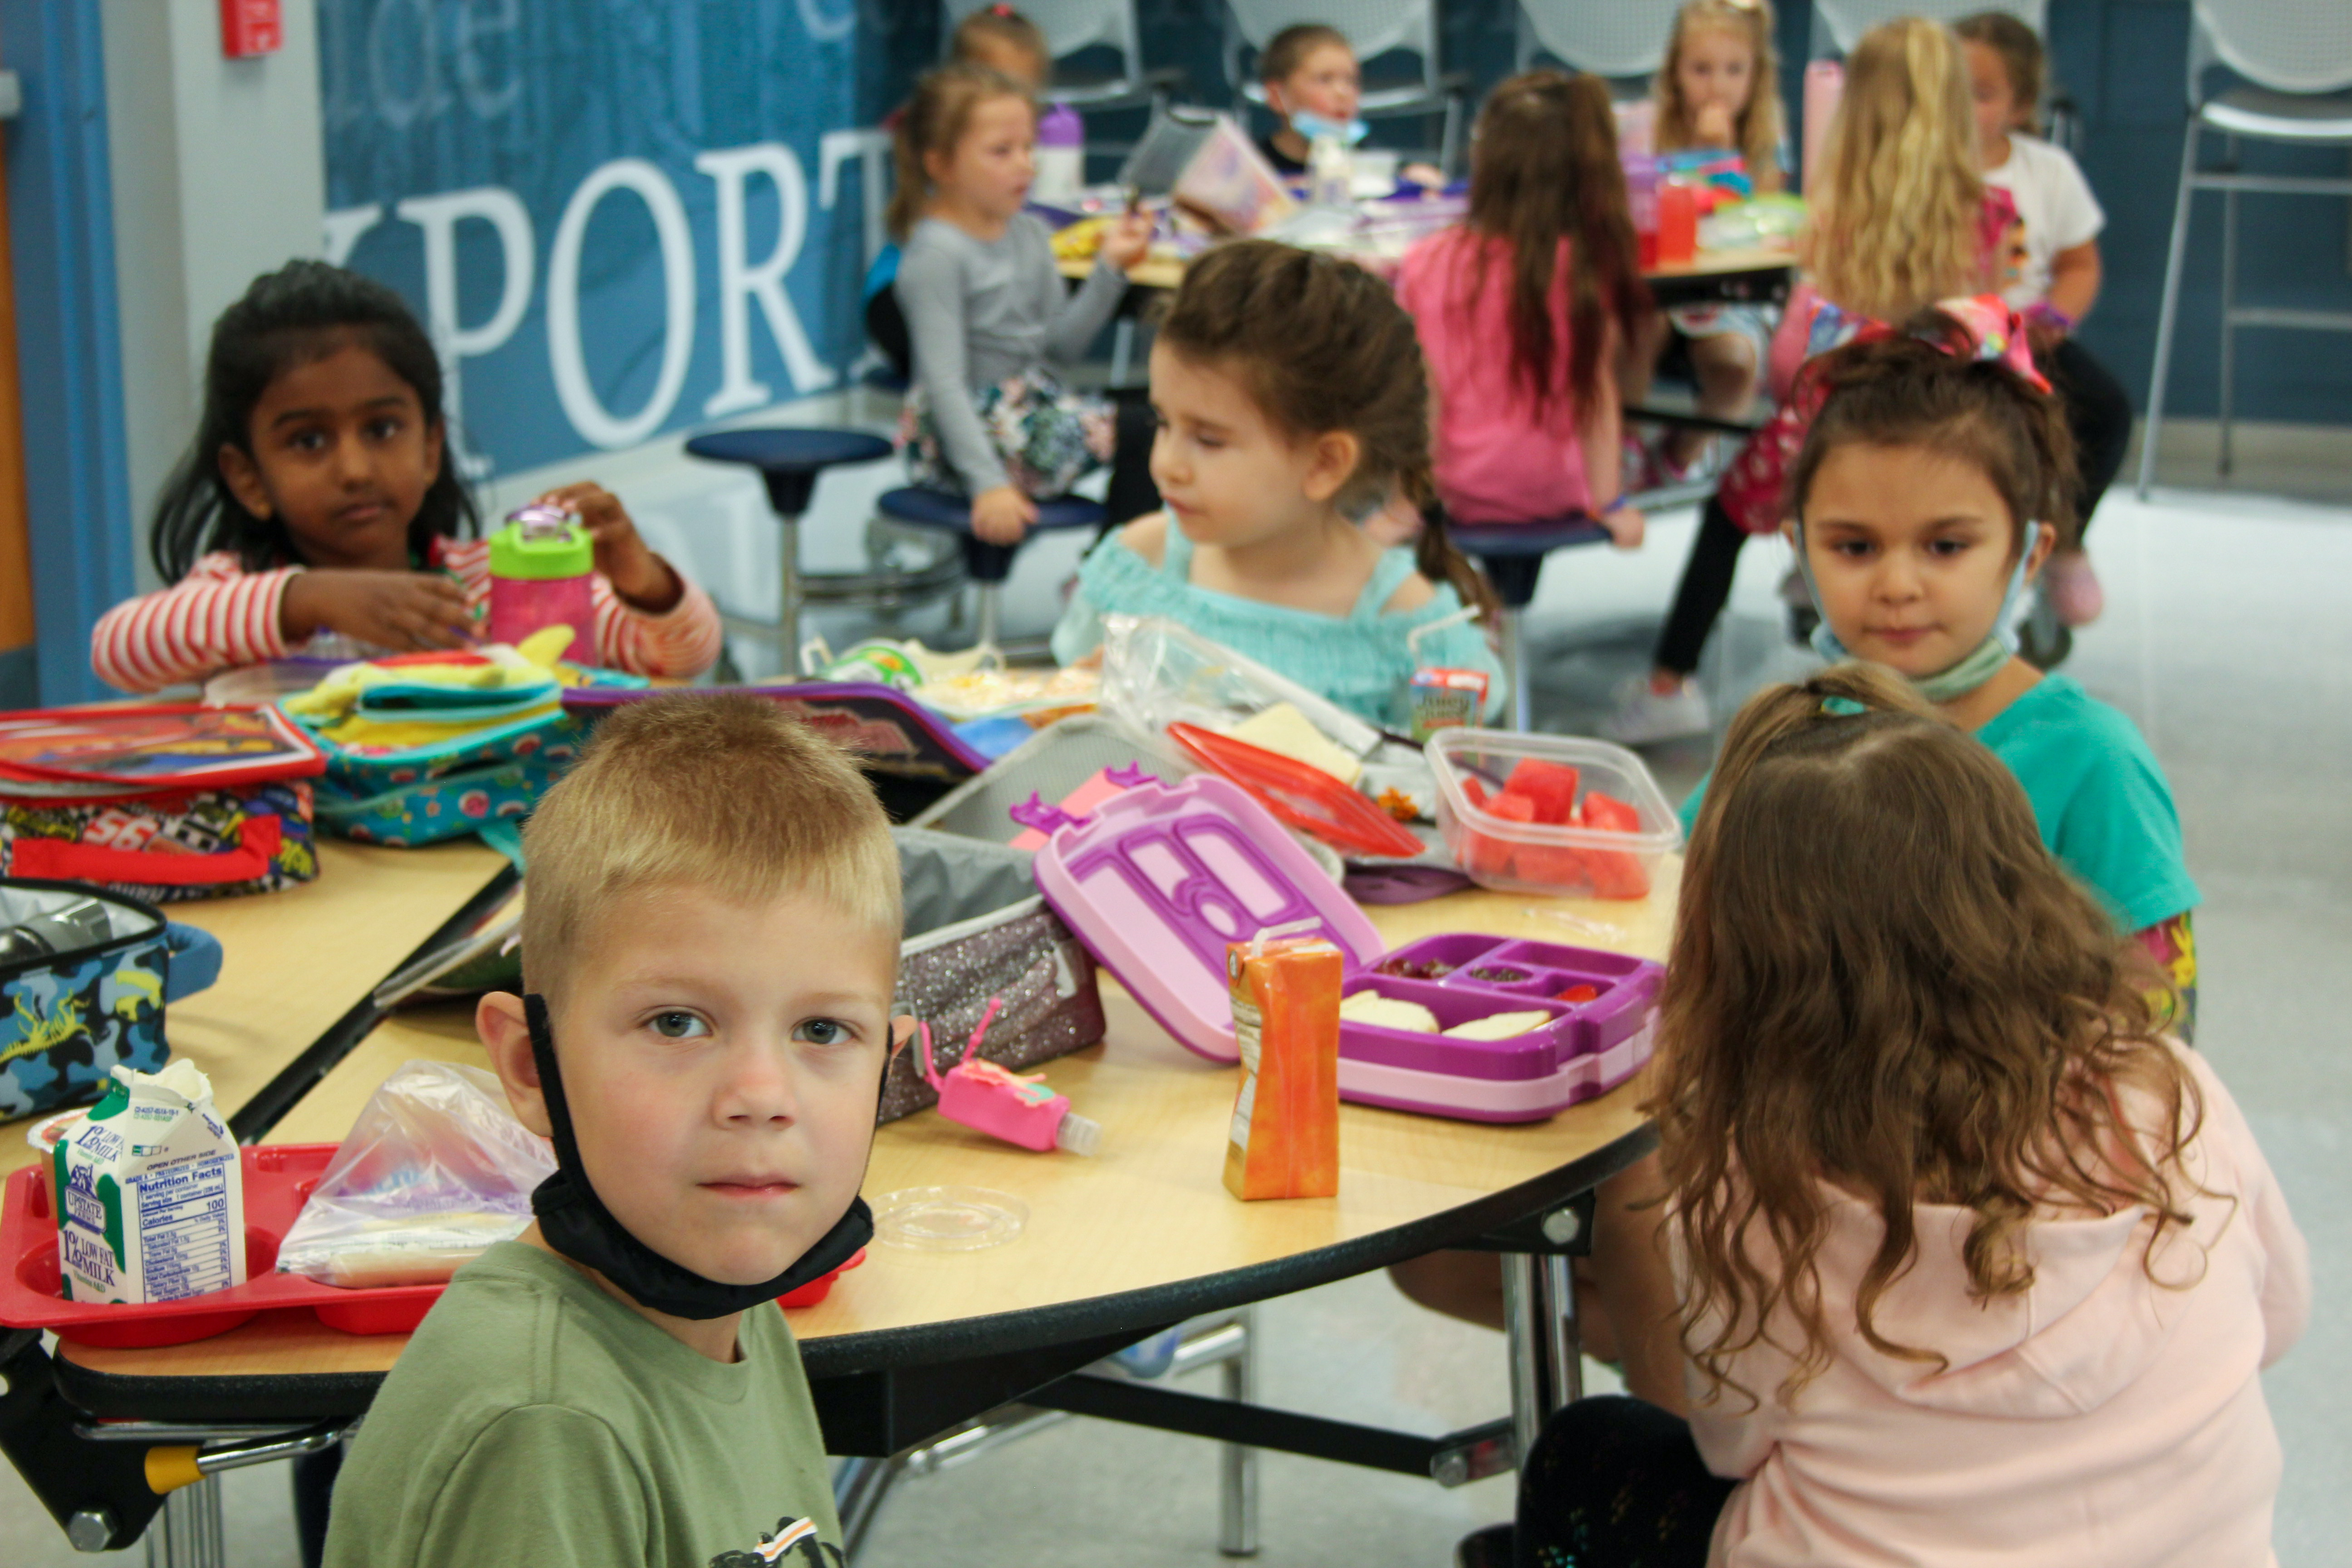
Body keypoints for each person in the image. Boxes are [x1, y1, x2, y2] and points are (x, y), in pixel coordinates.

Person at [1509, 662, 2306, 1568]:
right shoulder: (2169, 1088)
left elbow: (1724, 1443)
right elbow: (2279, 1320)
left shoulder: (1756, 1179)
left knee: (1584, 1456)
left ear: (1741, 961)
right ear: (2022, 891)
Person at [323, 694, 908, 1568]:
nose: (759, 1096)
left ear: (886, 1070)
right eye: (677, 1023)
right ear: (530, 1066)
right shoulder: (546, 1428)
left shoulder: (742, 1306)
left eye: (822, 1032)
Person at [1684, 303, 2201, 1028]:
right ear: (1800, 548)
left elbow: (2160, 1034)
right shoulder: (1784, 735)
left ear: (2030, 554)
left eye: (1946, 546)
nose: (1897, 586)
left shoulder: (2095, 763)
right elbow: (1674, 903)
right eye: (1855, 548)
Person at [1609, 15, 2007, 744]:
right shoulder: (1989, 214)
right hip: (1942, 431)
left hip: (1832, 429)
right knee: (1912, 542)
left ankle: (1671, 680)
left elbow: (1791, 363)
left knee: (1727, 517)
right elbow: (1991, 326)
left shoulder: (1832, 219)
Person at [91, 262, 721, 693]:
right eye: (309, 441)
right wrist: (308, 598)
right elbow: (119, 649)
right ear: (248, 477)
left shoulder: (482, 587)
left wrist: (639, 575)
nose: (356, 469)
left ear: (430, 446)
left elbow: (683, 656)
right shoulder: (238, 593)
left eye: (383, 429)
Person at [1050, 240, 1505, 725]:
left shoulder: (1411, 628)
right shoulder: (1137, 568)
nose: (1167, 464)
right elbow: (1066, 711)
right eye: (1163, 423)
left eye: (1208, 440)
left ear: (1325, 465)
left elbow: (1436, 772)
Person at [891, 62, 1156, 544]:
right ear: (941, 165)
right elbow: (944, 383)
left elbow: (1058, 351)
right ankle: (1111, 579)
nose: (1025, 164)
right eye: (1001, 152)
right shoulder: (936, 254)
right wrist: (988, 486)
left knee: (1165, 413)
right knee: (1146, 429)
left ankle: (1118, 566)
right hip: (962, 441)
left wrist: (1111, 269)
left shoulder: (1031, 233)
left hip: (1032, 408)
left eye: (1029, 148)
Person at [1396, 69, 1647, 545]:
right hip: (1564, 493)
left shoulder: (1425, 262)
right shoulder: (1590, 267)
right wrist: (1611, 503)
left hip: (1460, 492)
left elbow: (1422, 399)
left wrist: (1404, 505)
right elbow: (1597, 395)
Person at [1958, 9, 2128, 630]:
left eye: (1982, 94)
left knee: (2105, 409)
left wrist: (2055, 316)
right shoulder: (1920, 168)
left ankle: (2069, 539)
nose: (1962, 107)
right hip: (1945, 335)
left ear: (2020, 102)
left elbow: (2080, 263)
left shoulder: (2046, 171)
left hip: (2028, 334)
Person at [1634, 0, 1788, 479]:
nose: (1717, 85)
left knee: (1738, 369)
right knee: (1630, 336)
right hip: (1656, 294)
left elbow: (1764, 221)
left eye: (1733, 71)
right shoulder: (1653, 127)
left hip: (1729, 296)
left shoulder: (1767, 132)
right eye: (1701, 69)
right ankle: (1625, 444)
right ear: (1675, 70)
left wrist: (1722, 157)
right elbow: (1642, 205)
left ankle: (1680, 454)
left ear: (1755, 76)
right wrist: (1698, 155)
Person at [865, 8, 1053, 378]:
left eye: (1027, 91)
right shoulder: (942, 156)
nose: (1017, 103)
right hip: (897, 299)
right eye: (1003, 85)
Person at [1252, 23, 1446, 187]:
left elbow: (1404, 176)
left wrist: (1414, 177)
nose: (1343, 93)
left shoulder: (1365, 155)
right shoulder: (1255, 166)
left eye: (1352, 81)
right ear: (1277, 97)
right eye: (1324, 80)